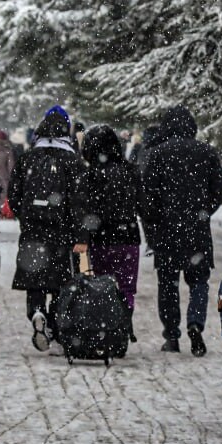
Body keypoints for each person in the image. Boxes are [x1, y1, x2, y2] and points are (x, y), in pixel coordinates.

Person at [141, 105, 222, 357]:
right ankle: (195, 322)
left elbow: (147, 196)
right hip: (196, 231)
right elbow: (219, 190)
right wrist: (203, 211)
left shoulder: (157, 154)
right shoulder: (206, 152)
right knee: (198, 281)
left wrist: (156, 221)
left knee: (168, 284)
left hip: (166, 231)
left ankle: (171, 335)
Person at [8, 106, 87, 352]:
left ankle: (36, 311)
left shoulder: (28, 158)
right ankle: (55, 324)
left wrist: (26, 216)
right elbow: (79, 201)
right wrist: (81, 235)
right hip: (61, 231)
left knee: (35, 278)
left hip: (33, 229)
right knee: (61, 282)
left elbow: (14, 195)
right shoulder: (73, 160)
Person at [74, 125, 142, 341]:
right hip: (128, 236)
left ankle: (109, 325)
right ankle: (125, 319)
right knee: (127, 286)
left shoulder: (90, 175)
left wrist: (83, 237)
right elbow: (144, 205)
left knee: (103, 285)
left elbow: (84, 210)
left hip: (102, 238)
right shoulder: (130, 171)